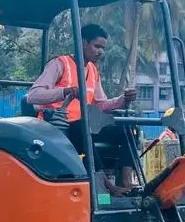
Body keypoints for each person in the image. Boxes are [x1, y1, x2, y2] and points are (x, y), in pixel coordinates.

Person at [26, 24, 138, 196]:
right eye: (97, 46)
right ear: (84, 43)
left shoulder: (93, 70)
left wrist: (123, 99)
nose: (100, 51)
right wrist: (63, 92)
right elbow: (33, 96)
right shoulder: (60, 64)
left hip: (84, 125)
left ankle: (127, 183)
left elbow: (101, 104)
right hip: (57, 128)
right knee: (82, 129)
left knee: (128, 129)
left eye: (103, 48)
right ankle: (105, 189)